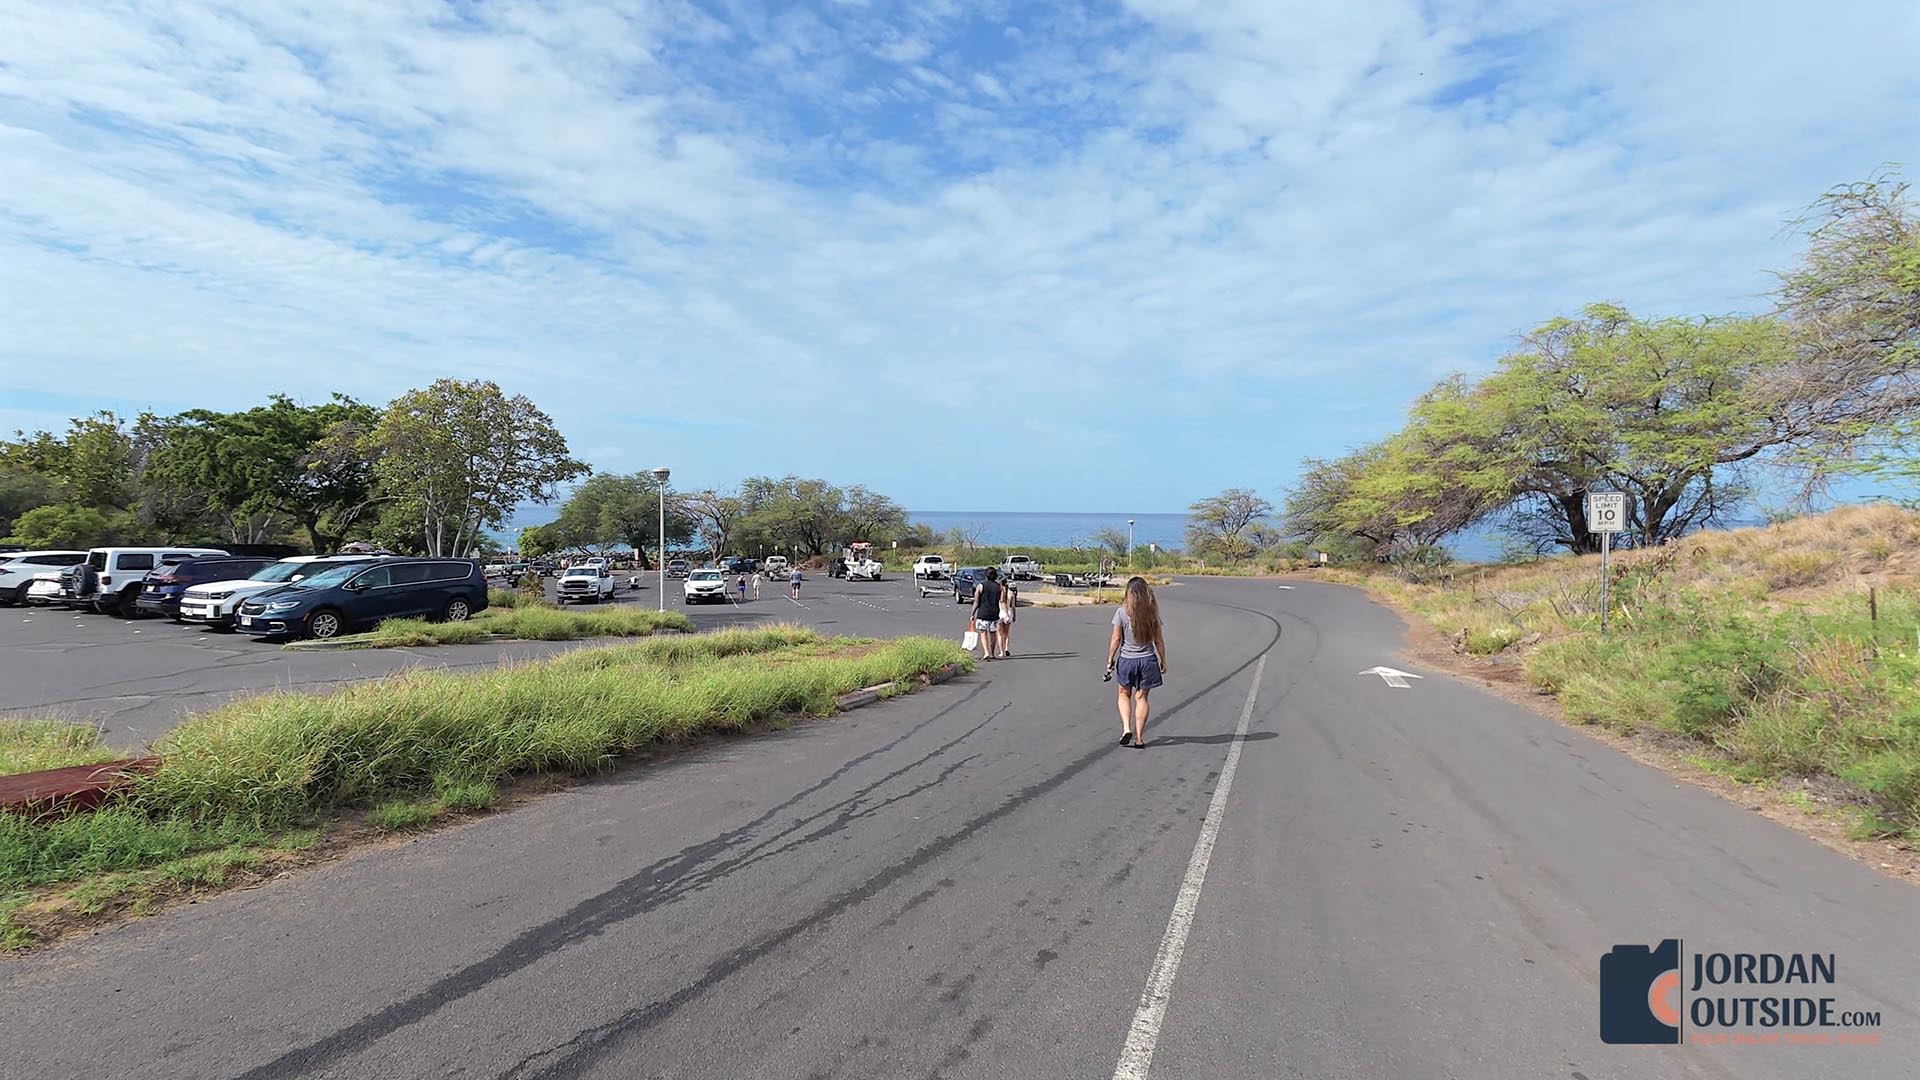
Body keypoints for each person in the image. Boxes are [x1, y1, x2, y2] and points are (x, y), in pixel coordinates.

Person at [1106, 576, 1168, 749]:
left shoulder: (1121, 612)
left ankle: (1126, 728)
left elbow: (1116, 638)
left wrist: (1110, 659)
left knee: (1123, 694)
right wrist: (1163, 660)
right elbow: (1159, 641)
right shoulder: (1152, 614)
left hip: (1127, 660)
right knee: (1142, 698)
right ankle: (1139, 737)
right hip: (1147, 660)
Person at [970, 567, 1004, 660]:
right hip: (994, 613)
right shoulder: (999, 587)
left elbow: (976, 602)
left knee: (983, 633)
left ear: (986, 575)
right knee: (993, 633)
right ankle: (992, 653)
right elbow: (1001, 600)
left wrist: (972, 614)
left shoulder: (981, 586)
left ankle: (986, 652)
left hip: (983, 613)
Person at [996, 576, 1017, 658]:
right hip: (1009, 612)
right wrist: (1014, 615)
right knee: (1006, 633)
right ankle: (1006, 648)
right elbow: (1013, 606)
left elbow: (1002, 602)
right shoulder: (1011, 593)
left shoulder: (999, 592)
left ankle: (1001, 652)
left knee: (1000, 634)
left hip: (1000, 613)